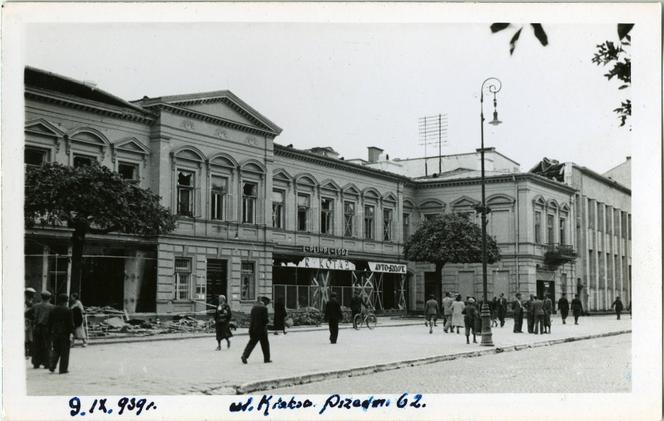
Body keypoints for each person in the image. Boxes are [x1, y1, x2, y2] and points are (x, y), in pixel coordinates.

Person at [49, 293, 75, 374]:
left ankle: (52, 366)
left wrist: (50, 331)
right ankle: (63, 369)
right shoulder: (68, 310)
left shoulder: (53, 309)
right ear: (66, 301)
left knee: (56, 350)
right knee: (65, 352)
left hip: (55, 332)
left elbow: (49, 321)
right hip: (65, 333)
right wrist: (72, 332)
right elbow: (71, 324)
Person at [241, 296, 271, 364]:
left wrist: (251, 329)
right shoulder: (264, 308)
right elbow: (265, 320)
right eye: (267, 303)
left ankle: (244, 356)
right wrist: (268, 322)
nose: (267, 304)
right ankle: (267, 359)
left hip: (254, 328)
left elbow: (251, 319)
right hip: (262, 329)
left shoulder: (254, 307)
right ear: (265, 301)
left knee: (251, 343)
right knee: (265, 344)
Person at [31, 290, 54, 369]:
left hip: (37, 327)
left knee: (36, 345)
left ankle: (36, 362)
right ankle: (46, 362)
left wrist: (33, 320)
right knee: (47, 345)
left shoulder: (35, 306)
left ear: (41, 297)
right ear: (49, 298)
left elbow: (27, 313)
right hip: (46, 328)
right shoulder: (51, 307)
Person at [25, 287, 36, 359]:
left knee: (29, 337)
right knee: (27, 336)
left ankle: (29, 352)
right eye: (32, 294)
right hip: (26, 320)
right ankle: (27, 352)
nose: (33, 295)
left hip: (29, 321)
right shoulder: (26, 301)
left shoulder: (30, 301)